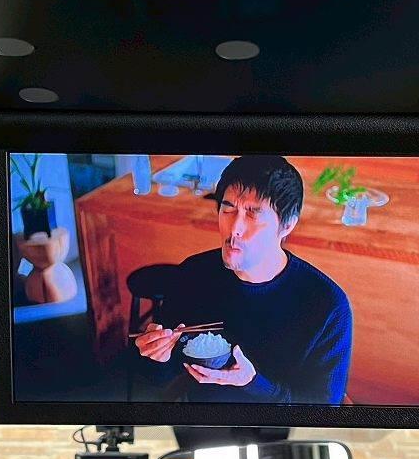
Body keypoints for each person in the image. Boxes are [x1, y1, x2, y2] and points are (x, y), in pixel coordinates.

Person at [134, 155, 352, 404]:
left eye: (252, 214)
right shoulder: (193, 274)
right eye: (228, 209)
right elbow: (160, 376)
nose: (234, 228)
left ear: (287, 225)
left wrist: (253, 383)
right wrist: (158, 356)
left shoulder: (327, 305)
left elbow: (321, 409)